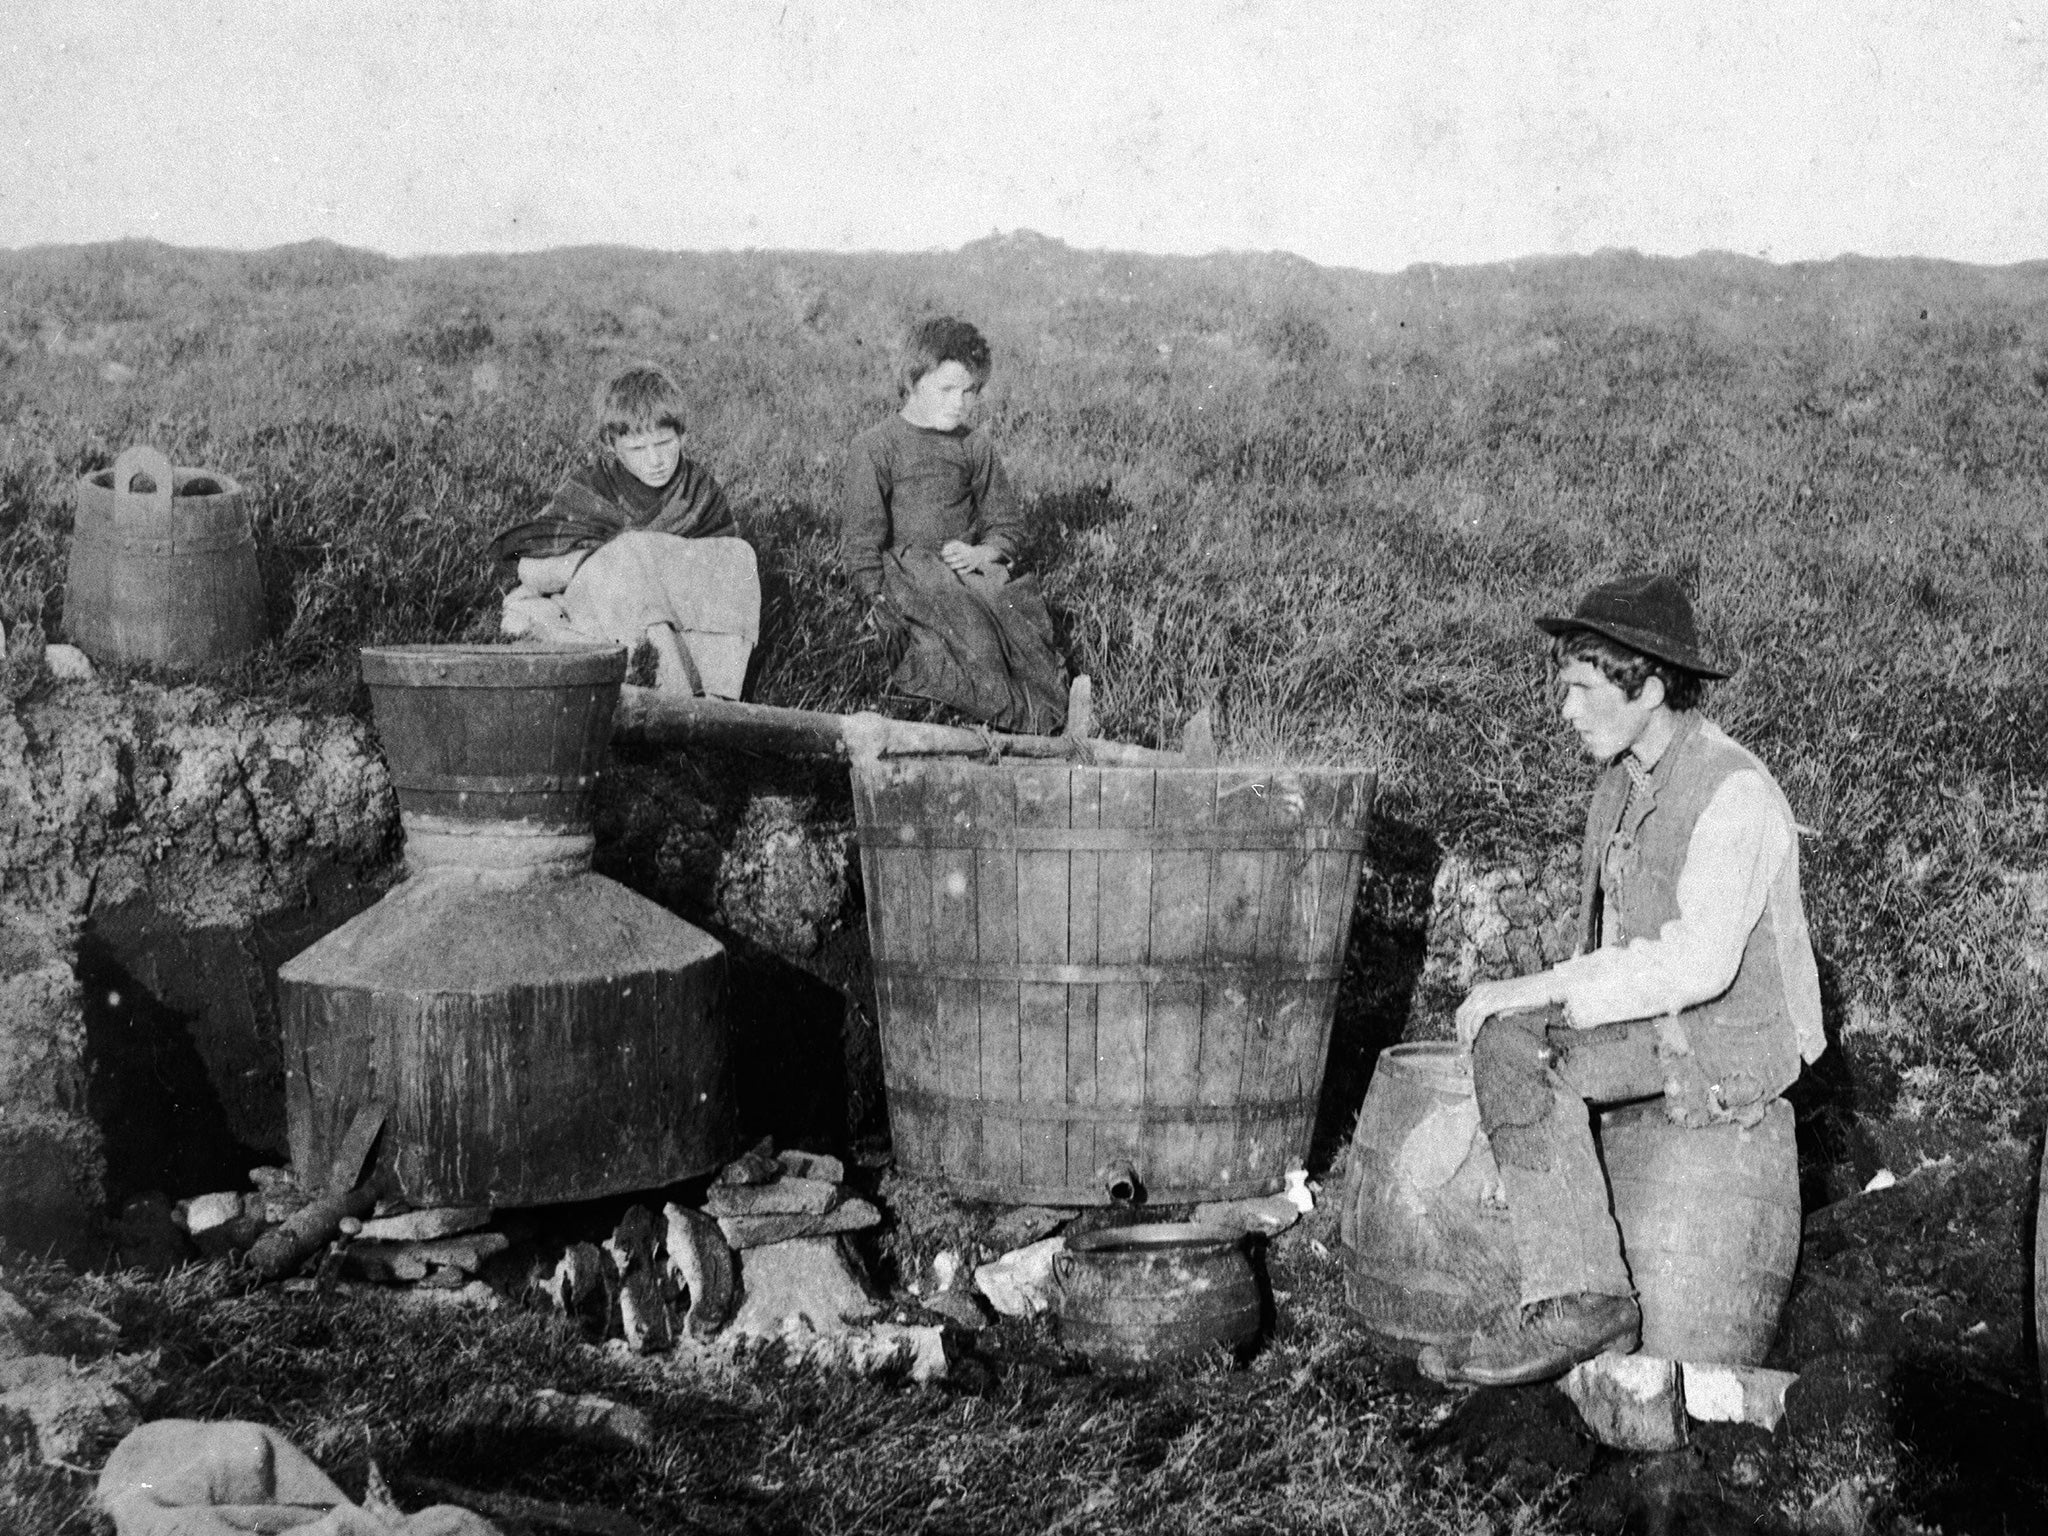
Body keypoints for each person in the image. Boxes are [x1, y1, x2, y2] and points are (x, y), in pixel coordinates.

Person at [1418, 572, 1826, 1389]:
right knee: (1512, 1046)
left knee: (1519, 1049)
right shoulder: (1621, 787)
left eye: (1579, 688)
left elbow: (1697, 965)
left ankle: (1584, 1296)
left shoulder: (1734, 791)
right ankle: (1562, 1286)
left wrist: (1541, 997)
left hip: (1733, 1036)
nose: (1563, 711)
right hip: (1676, 1019)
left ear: (1645, 685)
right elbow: (1612, 941)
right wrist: (1545, 998)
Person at [839, 316, 1068, 734]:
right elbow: (861, 542)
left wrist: (983, 552)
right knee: (972, 641)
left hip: (967, 568)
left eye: (970, 392)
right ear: (912, 381)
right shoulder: (876, 446)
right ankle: (1013, 720)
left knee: (1020, 626)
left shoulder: (974, 445)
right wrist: (875, 599)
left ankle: (1050, 714)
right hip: (912, 572)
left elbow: (1007, 526)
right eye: (947, 389)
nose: (959, 403)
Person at [488, 364, 760, 698]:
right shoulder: (593, 486)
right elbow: (531, 567)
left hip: (680, 613)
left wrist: (657, 561)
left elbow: (717, 572)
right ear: (611, 444)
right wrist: (611, 557)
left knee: (739, 555)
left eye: (664, 443)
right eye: (637, 449)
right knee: (632, 555)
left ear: (683, 436)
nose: (655, 460)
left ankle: (717, 700)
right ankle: (661, 694)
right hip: (602, 604)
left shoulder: (698, 491)